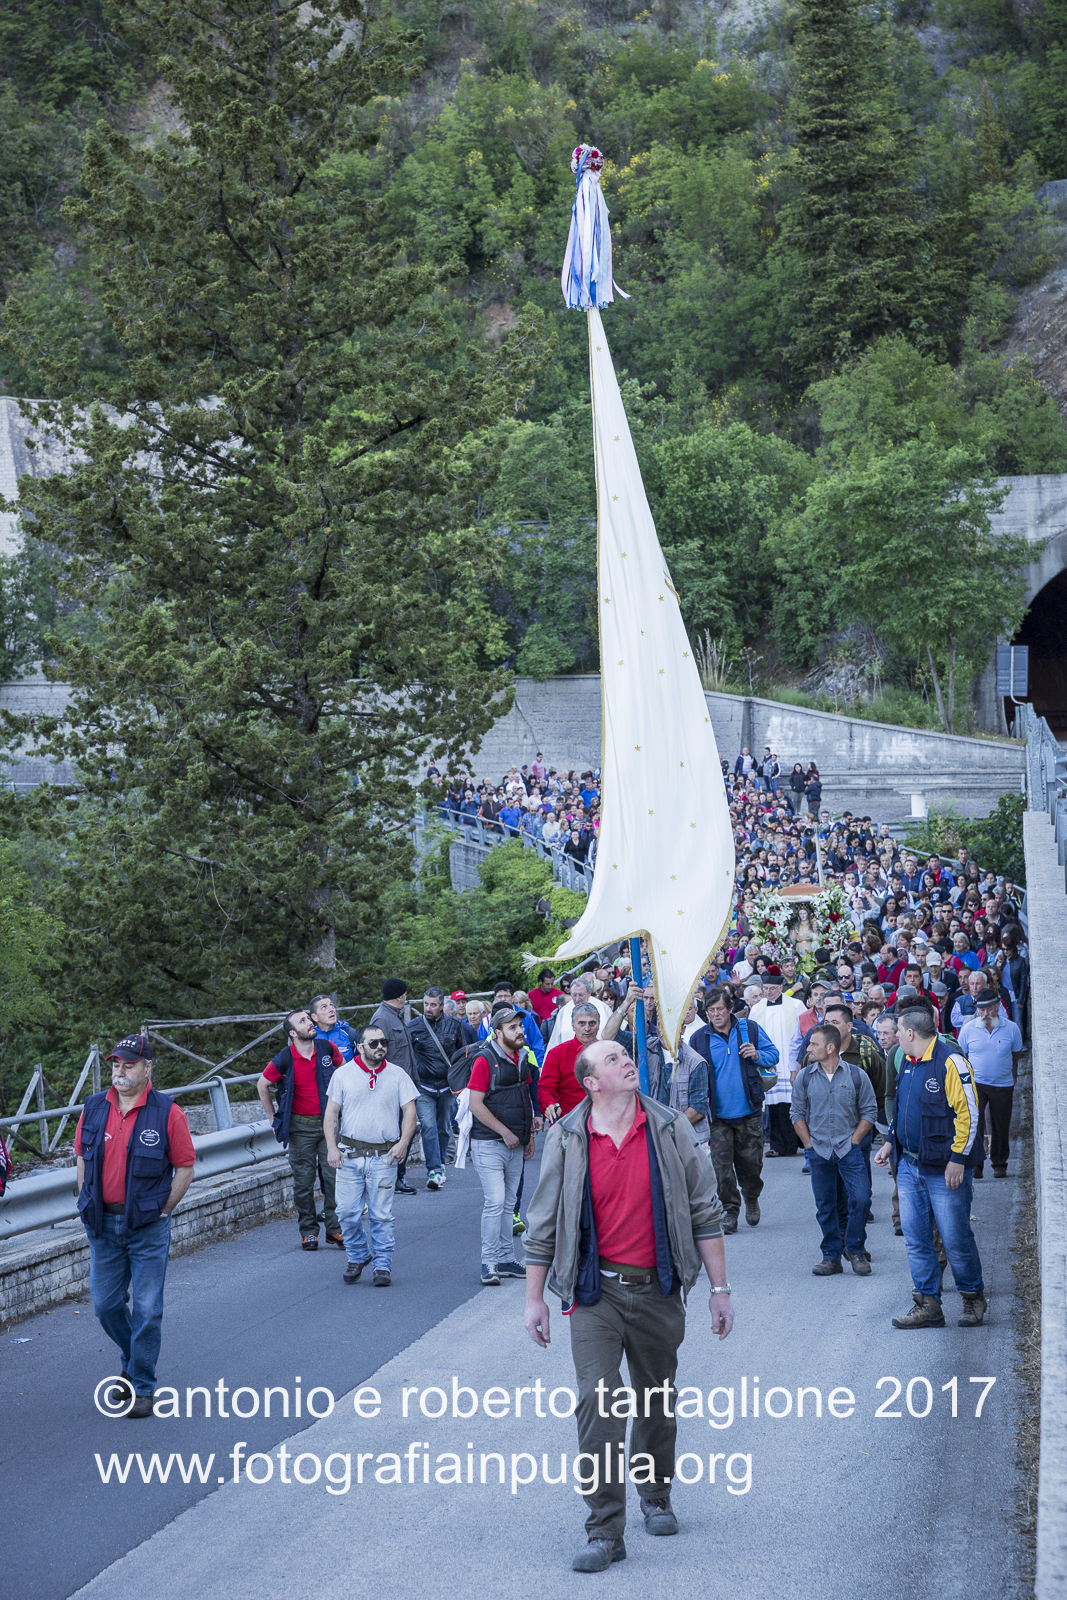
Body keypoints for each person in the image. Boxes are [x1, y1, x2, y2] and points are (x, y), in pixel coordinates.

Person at [523, 1036, 733, 1573]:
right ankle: (604, 1530)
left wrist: (719, 1291)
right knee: (598, 1401)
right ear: (592, 1083)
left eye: (626, 1054)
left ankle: (656, 1493)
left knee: (656, 1399)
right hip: (595, 1291)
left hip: (659, 1288)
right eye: (614, 1059)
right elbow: (542, 1223)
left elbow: (704, 1209)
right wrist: (534, 1300)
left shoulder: (669, 1127)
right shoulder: (567, 1137)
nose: (628, 1061)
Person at [74, 1033, 196, 1417]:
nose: (120, 1070)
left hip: (147, 1227)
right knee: (105, 1306)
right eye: (116, 1063)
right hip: (102, 1224)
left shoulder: (168, 1113)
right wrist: (86, 1200)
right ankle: (132, 1358)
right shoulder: (93, 1107)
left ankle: (142, 1385)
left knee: (147, 1308)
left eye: (129, 1064)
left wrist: (163, 1211)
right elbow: (81, 1158)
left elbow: (185, 1168)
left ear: (148, 1068)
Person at [874, 1004, 986, 1329]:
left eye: (897, 1030)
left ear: (910, 1033)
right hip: (909, 1166)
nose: (895, 1035)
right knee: (916, 1237)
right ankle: (928, 1305)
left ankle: (972, 1297)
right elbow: (901, 1110)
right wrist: (890, 1141)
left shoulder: (951, 1062)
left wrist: (958, 1159)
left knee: (955, 1238)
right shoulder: (905, 1061)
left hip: (944, 1169)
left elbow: (969, 1114)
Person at [323, 1023, 417, 1288]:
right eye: (373, 1043)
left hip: (384, 1156)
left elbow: (410, 1111)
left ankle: (382, 1265)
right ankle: (358, 1255)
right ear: (359, 1047)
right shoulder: (343, 1074)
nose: (380, 1047)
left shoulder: (398, 1074)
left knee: (381, 1215)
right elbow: (331, 1114)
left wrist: (403, 1143)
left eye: (384, 1042)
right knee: (346, 1213)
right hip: (349, 1155)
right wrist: (332, 1147)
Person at [689, 988, 778, 1234]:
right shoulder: (698, 1039)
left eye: (720, 1009)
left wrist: (757, 1054)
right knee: (721, 1170)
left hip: (749, 1111)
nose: (716, 1014)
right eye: (711, 1010)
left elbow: (774, 1055)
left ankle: (751, 1197)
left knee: (751, 1165)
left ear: (730, 1009)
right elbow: (691, 1072)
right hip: (717, 1117)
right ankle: (730, 1210)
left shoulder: (749, 1029)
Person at [791, 1023, 877, 1276]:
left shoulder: (856, 1075)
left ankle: (855, 1249)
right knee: (825, 1206)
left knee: (861, 1199)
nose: (808, 1048)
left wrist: (854, 1141)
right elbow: (796, 1113)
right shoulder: (805, 1076)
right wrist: (809, 1146)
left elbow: (869, 1111)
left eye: (813, 1044)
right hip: (818, 1150)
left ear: (830, 1048)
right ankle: (831, 1256)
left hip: (848, 1149)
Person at [258, 1009, 346, 1250]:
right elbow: (263, 1084)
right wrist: (271, 1117)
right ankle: (308, 1231)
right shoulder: (284, 1058)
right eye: (303, 1021)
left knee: (334, 1178)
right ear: (293, 1033)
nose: (309, 1022)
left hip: (329, 1125)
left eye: (308, 1018)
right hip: (299, 1128)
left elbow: (346, 1072)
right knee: (304, 1182)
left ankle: (335, 1229)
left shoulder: (327, 1048)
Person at [468, 1007, 539, 1285]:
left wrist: (528, 1136)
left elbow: (525, 1096)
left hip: (516, 1143)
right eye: (512, 1028)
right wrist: (505, 1132)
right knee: (495, 1202)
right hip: (488, 1143)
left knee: (509, 1204)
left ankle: (507, 1259)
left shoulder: (523, 1057)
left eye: (520, 1026)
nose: (520, 1031)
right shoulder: (485, 1059)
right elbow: (475, 1104)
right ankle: (488, 1262)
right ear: (498, 1033)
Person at [957, 990, 1023, 1180]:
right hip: (976, 1084)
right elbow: (962, 1055)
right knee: (974, 1124)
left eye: (989, 1009)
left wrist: (1007, 1072)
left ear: (997, 1007)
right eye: (982, 1009)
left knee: (1001, 1125)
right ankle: (975, 1164)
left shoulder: (1011, 1028)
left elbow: (1016, 1055)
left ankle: (1000, 1164)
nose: (986, 1013)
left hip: (1003, 1084)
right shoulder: (968, 1029)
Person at [369, 978, 424, 1195]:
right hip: (391, 1090)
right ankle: (392, 1178)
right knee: (395, 1135)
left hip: (405, 1087)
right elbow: (375, 1056)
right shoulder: (382, 1019)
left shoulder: (394, 1016)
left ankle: (398, 1177)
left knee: (404, 1133)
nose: (406, 997)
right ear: (399, 996)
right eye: (405, 994)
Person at [408, 986, 467, 1186]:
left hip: (447, 1086)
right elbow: (407, 1056)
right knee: (428, 1126)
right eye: (425, 1004)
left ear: (442, 1006)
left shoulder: (454, 1024)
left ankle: (440, 1164)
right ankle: (433, 1170)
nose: (428, 1008)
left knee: (443, 1127)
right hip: (423, 1086)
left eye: (433, 1005)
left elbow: (462, 1054)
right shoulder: (413, 1026)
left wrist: (461, 1083)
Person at [746, 965, 804, 1156]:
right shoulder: (757, 1009)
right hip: (768, 1062)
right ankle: (778, 1146)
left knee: (793, 1105)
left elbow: (803, 1034)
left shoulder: (796, 1005)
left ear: (780, 987)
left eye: (772, 988)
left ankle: (798, 1142)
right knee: (774, 1107)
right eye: (765, 988)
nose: (768, 992)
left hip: (790, 1062)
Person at [539, 1002, 602, 1122]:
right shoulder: (557, 1054)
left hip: (603, 1121)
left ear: (599, 1025)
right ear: (573, 1026)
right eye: (581, 1023)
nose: (587, 1028)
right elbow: (545, 1088)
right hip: (568, 1121)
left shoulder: (608, 1052)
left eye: (592, 1023)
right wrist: (549, 1104)